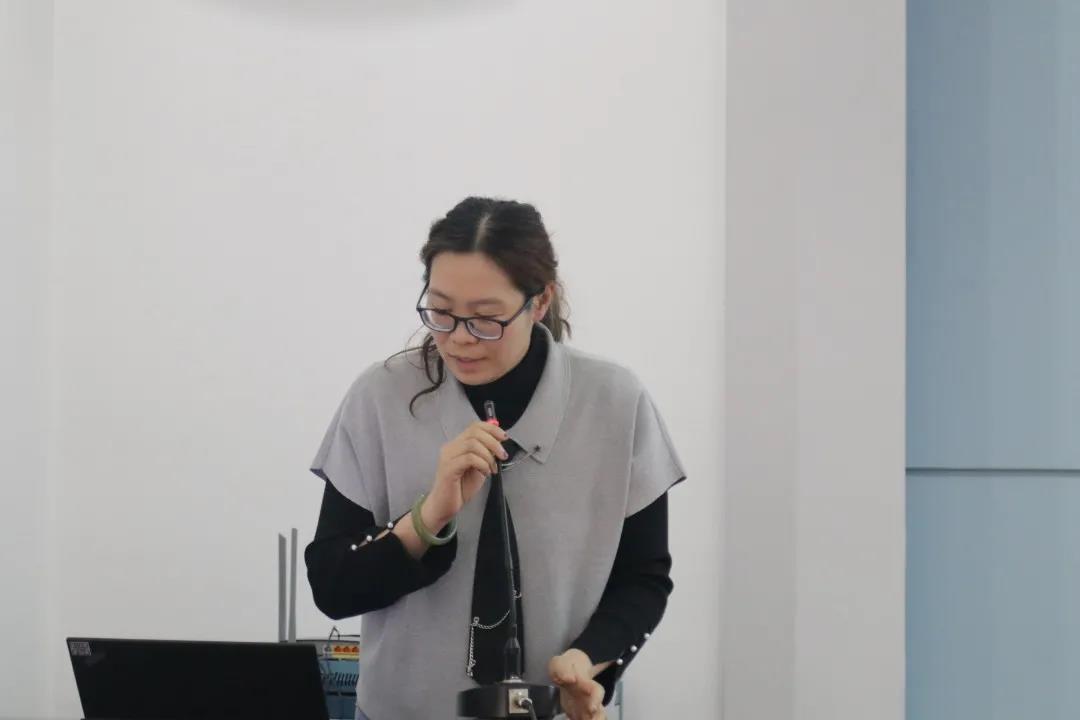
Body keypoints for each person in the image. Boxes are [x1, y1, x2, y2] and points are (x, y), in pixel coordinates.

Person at [304, 197, 686, 720]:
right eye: (441, 312)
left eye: (486, 319)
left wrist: (587, 659)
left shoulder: (616, 403)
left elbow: (644, 578)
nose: (459, 339)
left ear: (539, 300)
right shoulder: (381, 397)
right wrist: (428, 517)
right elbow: (332, 586)